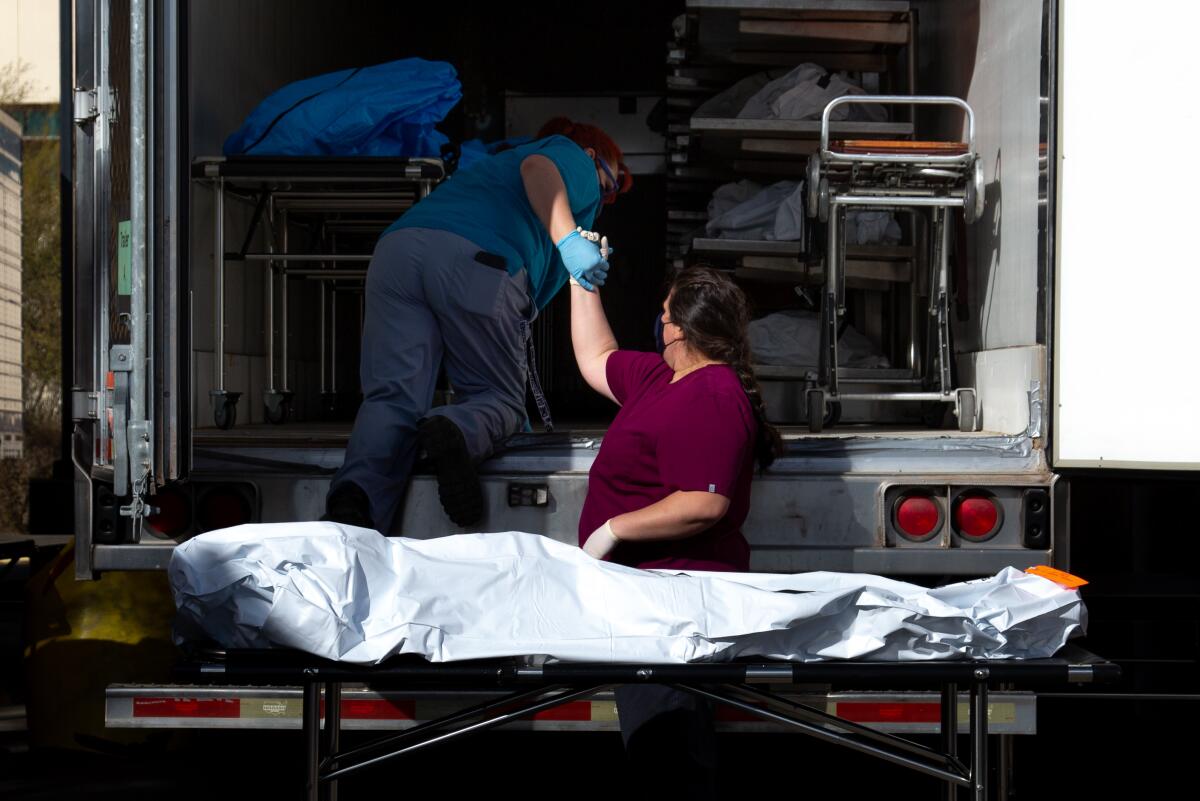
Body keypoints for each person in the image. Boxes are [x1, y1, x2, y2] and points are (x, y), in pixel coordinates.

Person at [323, 117, 631, 533]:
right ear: (593, 156)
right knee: (498, 402)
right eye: (609, 186)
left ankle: (353, 505)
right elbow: (539, 170)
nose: (603, 198)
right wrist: (569, 238)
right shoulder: (572, 154)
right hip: (475, 261)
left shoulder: (491, 169)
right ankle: (455, 429)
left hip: (398, 250)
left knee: (391, 397)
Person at [570, 265, 783, 798]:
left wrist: (613, 529)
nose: (657, 323)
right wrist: (582, 283)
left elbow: (704, 503)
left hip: (673, 605)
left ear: (679, 329)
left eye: (662, 314)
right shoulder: (657, 378)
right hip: (640, 597)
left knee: (669, 752)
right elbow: (596, 360)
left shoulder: (712, 393)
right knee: (654, 745)